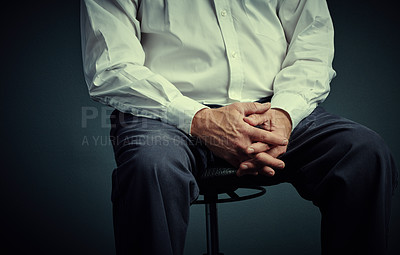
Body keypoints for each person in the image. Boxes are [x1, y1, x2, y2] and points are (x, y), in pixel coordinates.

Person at [80, 0, 398, 254]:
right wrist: (201, 119)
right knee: (149, 166)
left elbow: (311, 51)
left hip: (274, 108)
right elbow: (111, 68)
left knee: (363, 152)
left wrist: (284, 115)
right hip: (165, 114)